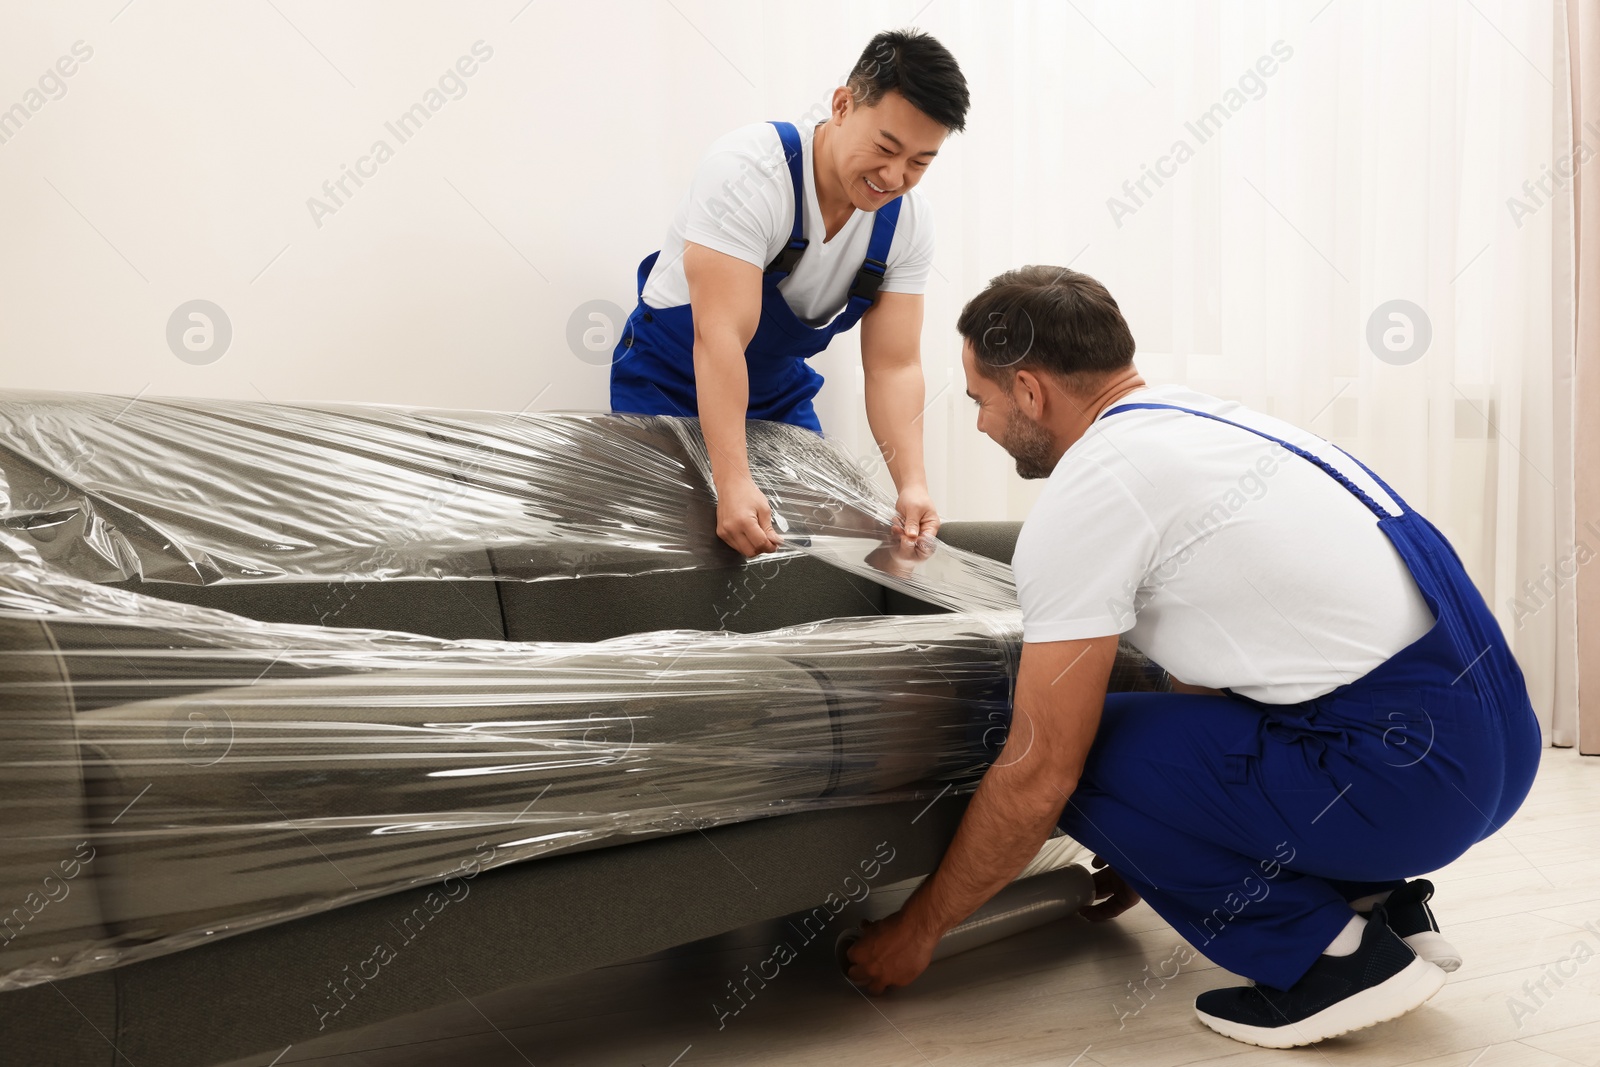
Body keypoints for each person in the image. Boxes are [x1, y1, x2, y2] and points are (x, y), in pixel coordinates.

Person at [843, 265, 1543, 1048]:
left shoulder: (1091, 493)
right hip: (1501, 743)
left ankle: (1331, 960)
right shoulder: (1213, 424)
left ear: (1031, 391)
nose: (978, 424)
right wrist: (1158, 839)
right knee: (1138, 741)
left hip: (1410, 783)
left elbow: (1042, 772)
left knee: (1069, 754)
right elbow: (1216, 678)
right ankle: (1377, 906)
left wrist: (921, 926)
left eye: (980, 400)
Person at [608, 30, 969, 558]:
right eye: (886, 148)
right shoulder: (750, 173)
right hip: (670, 380)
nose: (894, 176)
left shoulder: (908, 224)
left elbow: (893, 367)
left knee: (806, 556)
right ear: (843, 105)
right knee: (672, 555)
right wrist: (733, 480)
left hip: (775, 393)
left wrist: (911, 483)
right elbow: (720, 336)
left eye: (919, 163)